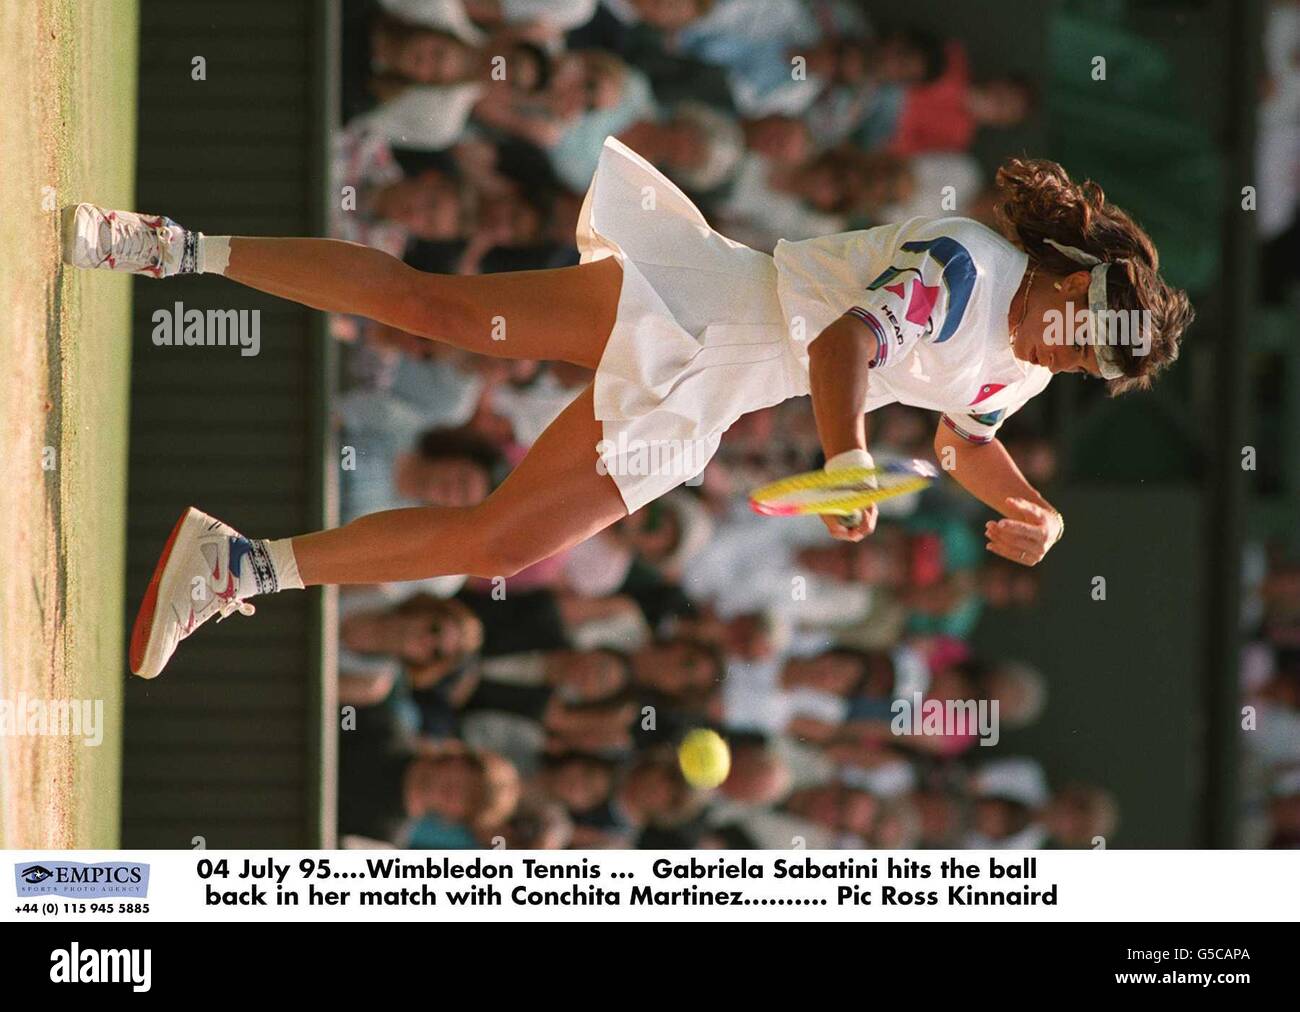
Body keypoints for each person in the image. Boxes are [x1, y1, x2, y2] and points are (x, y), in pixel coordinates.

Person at [63, 141, 1192, 679]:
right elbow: (850, 343)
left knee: (498, 542)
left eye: (1092, 362)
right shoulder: (965, 263)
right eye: (1083, 326)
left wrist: (1030, 505)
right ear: (1066, 277)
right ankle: (172, 248)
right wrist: (846, 458)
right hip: (694, 305)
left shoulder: (1022, 370)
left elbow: (961, 433)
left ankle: (239, 567)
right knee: (437, 311)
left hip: (705, 406)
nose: (1069, 349)